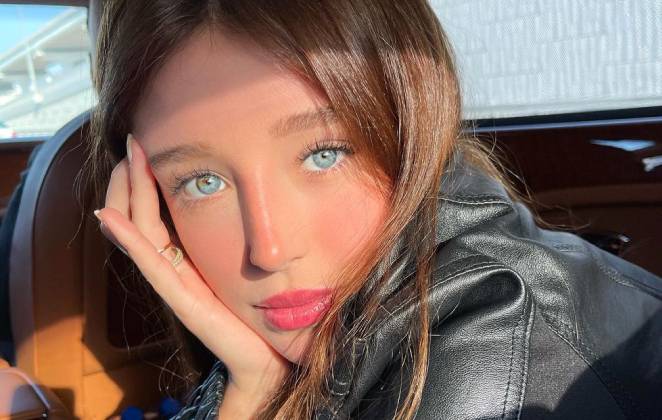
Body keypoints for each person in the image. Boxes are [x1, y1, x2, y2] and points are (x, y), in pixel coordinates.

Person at [87, 1, 662, 419]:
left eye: (325, 154)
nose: (270, 249)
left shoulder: (491, 358)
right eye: (202, 182)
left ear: (410, 128)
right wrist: (256, 388)